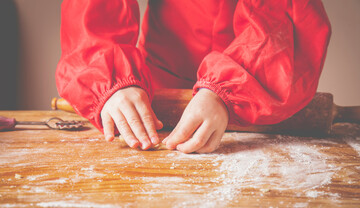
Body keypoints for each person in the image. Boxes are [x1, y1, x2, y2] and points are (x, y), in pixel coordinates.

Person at [56, 0, 331, 153]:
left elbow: (282, 11)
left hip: (255, 94)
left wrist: (230, 90)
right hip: (150, 96)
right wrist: (109, 79)